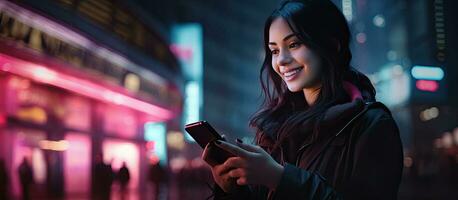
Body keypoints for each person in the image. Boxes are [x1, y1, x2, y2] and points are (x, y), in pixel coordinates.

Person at [202, 0, 403, 199]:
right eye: (274, 50)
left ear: (332, 45)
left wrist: (279, 178)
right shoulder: (274, 128)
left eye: (294, 44)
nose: (281, 60)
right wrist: (230, 189)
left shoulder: (371, 125)